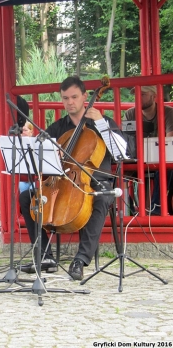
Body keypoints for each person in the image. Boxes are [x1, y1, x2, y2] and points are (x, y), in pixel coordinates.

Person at [19, 76, 127, 280]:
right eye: (65, 98)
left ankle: (81, 259)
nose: (70, 102)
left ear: (85, 96)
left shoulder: (103, 122)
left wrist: (102, 124)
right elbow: (40, 155)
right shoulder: (58, 127)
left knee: (101, 199)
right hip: (62, 182)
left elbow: (120, 153)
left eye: (74, 97)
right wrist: (44, 150)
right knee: (28, 197)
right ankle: (45, 257)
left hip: (96, 182)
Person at [123, 86, 173, 215]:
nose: (138, 98)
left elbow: (170, 140)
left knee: (165, 168)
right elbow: (124, 140)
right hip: (136, 156)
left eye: (143, 94)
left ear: (154, 96)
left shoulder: (168, 112)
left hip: (160, 157)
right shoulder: (130, 113)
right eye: (136, 95)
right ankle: (126, 210)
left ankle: (156, 208)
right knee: (115, 169)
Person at [18, 121, 34, 194]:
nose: (23, 132)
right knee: (23, 192)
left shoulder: (37, 144)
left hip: (35, 178)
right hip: (24, 178)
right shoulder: (16, 145)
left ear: (31, 131)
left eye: (25, 130)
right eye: (21, 130)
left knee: (33, 191)